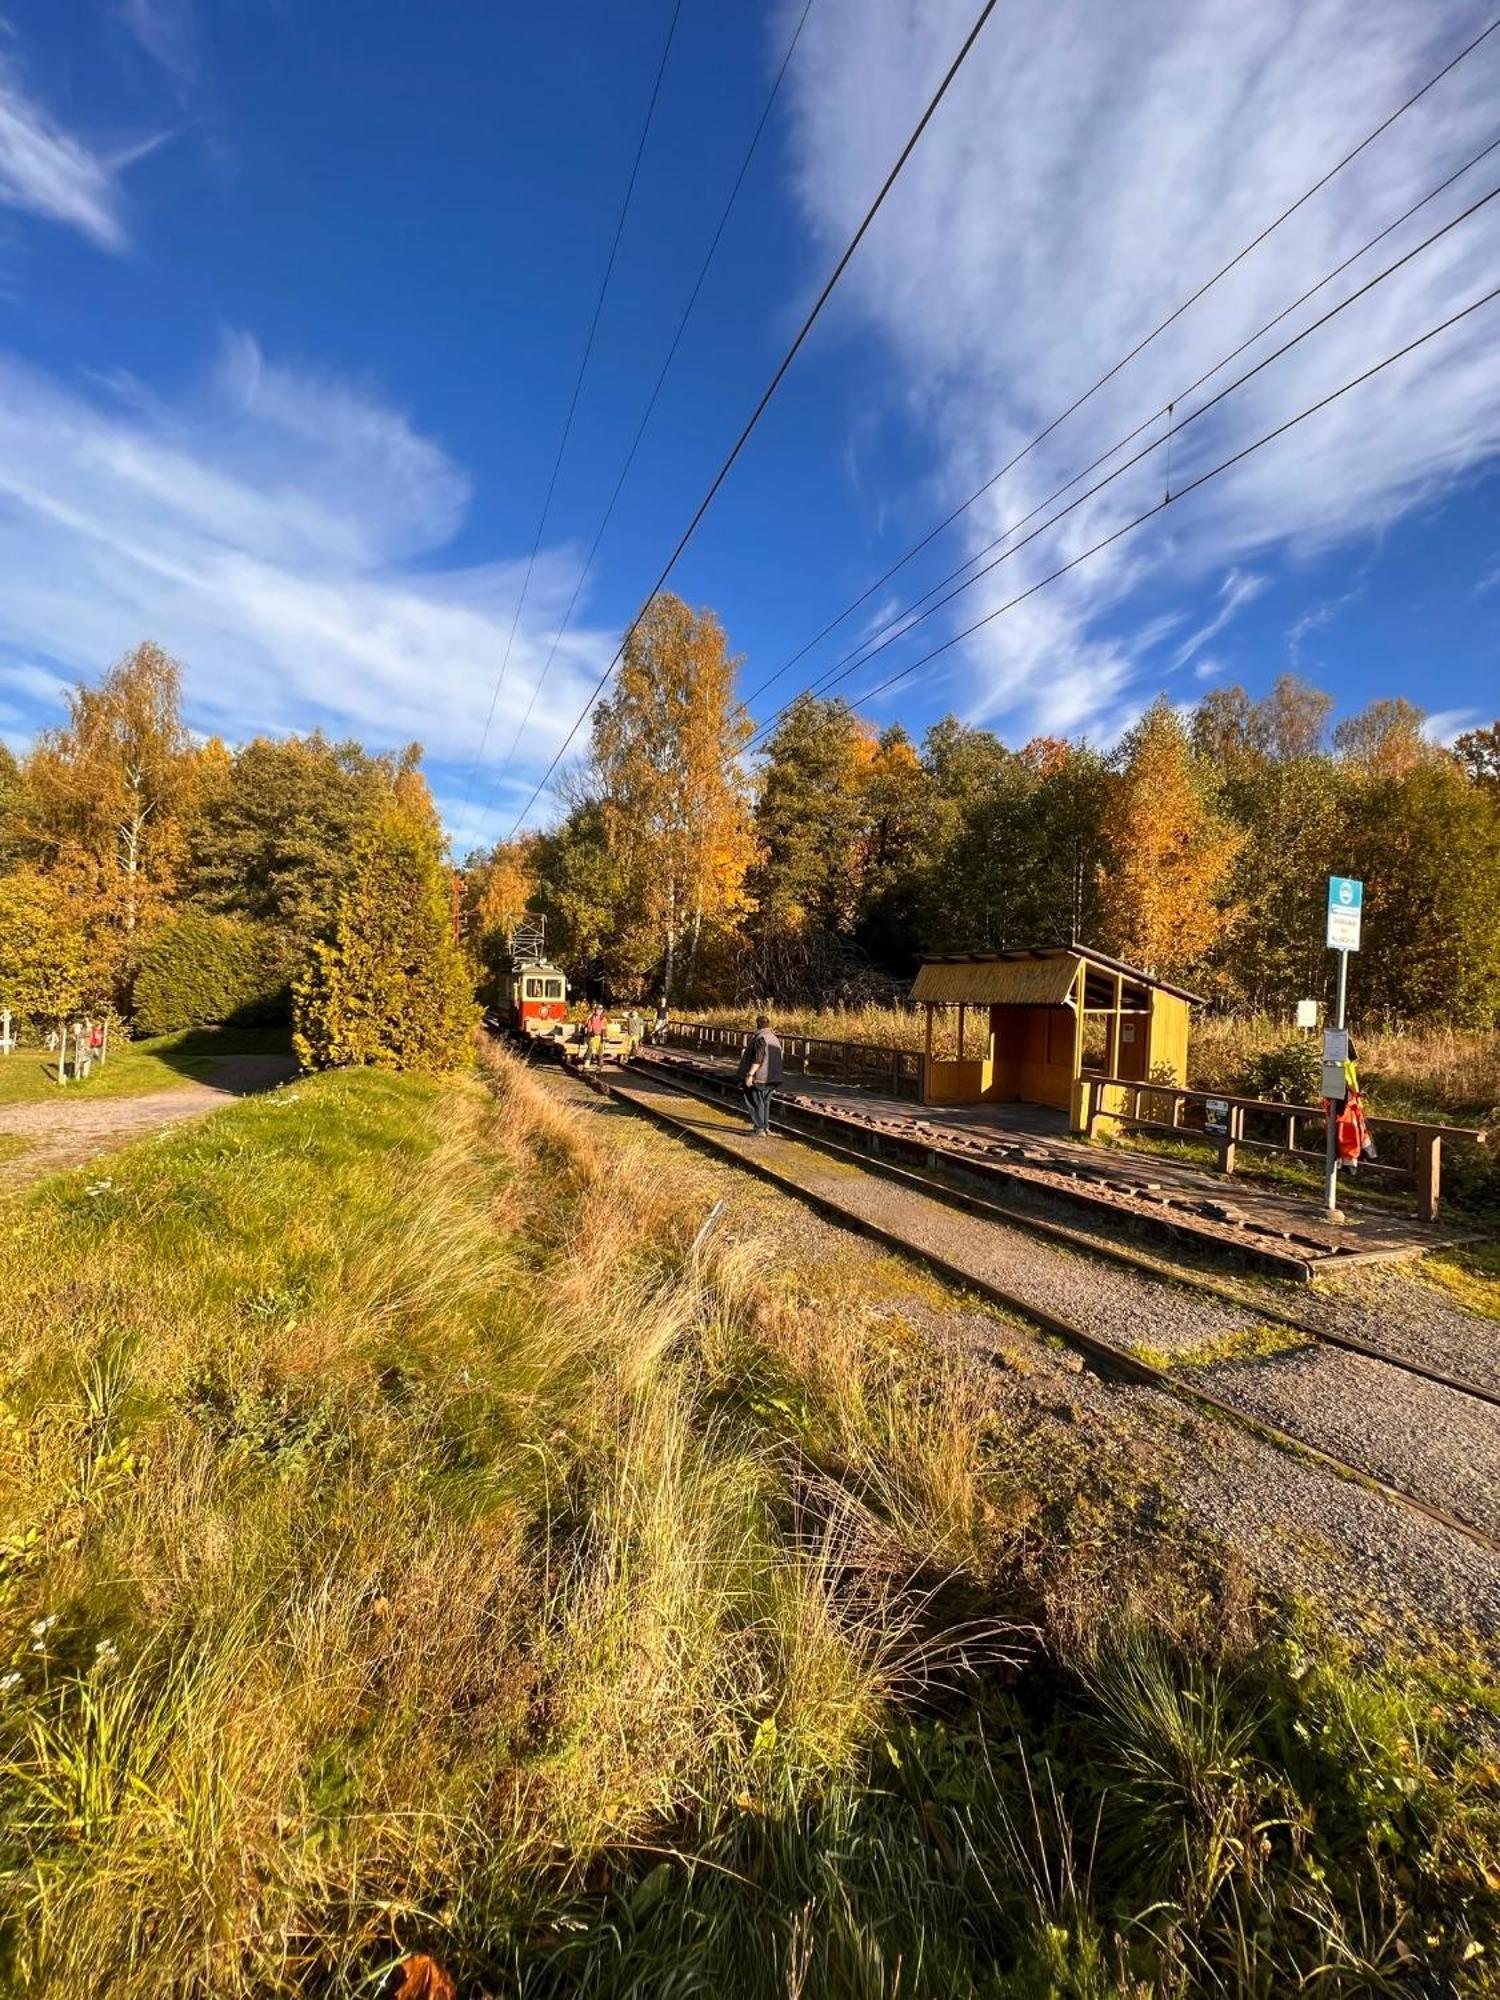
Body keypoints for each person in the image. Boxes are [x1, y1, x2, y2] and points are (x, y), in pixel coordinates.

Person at [736, 1014, 783, 1137]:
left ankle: (759, 1129)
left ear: (757, 1024)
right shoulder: (774, 1038)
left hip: (760, 1077)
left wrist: (750, 1075)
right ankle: (765, 1127)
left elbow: (758, 1059)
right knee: (765, 1102)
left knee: (756, 1102)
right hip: (774, 1077)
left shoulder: (760, 1038)